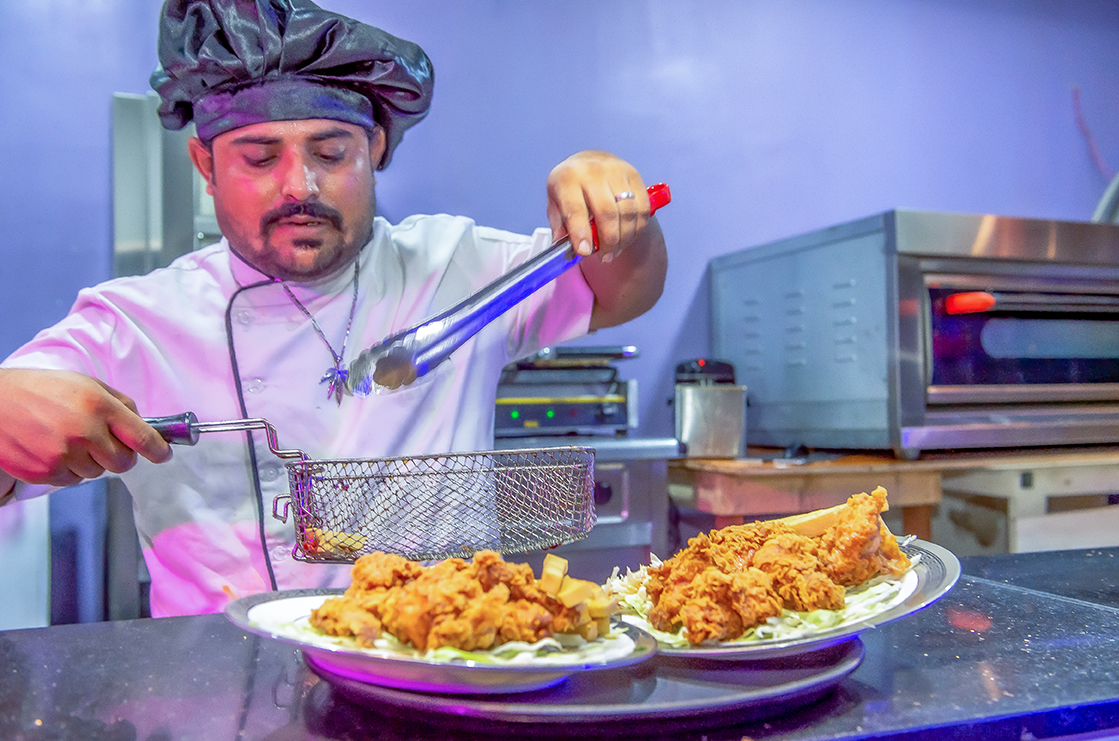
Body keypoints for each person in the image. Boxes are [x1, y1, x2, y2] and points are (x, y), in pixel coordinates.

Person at [0, 0, 666, 617]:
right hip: (223, 685)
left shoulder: (452, 264)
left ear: (374, 146)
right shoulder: (134, 322)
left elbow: (623, 291)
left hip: (440, 658)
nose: (300, 186)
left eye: (330, 152)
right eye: (258, 158)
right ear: (204, 163)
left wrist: (609, 202)